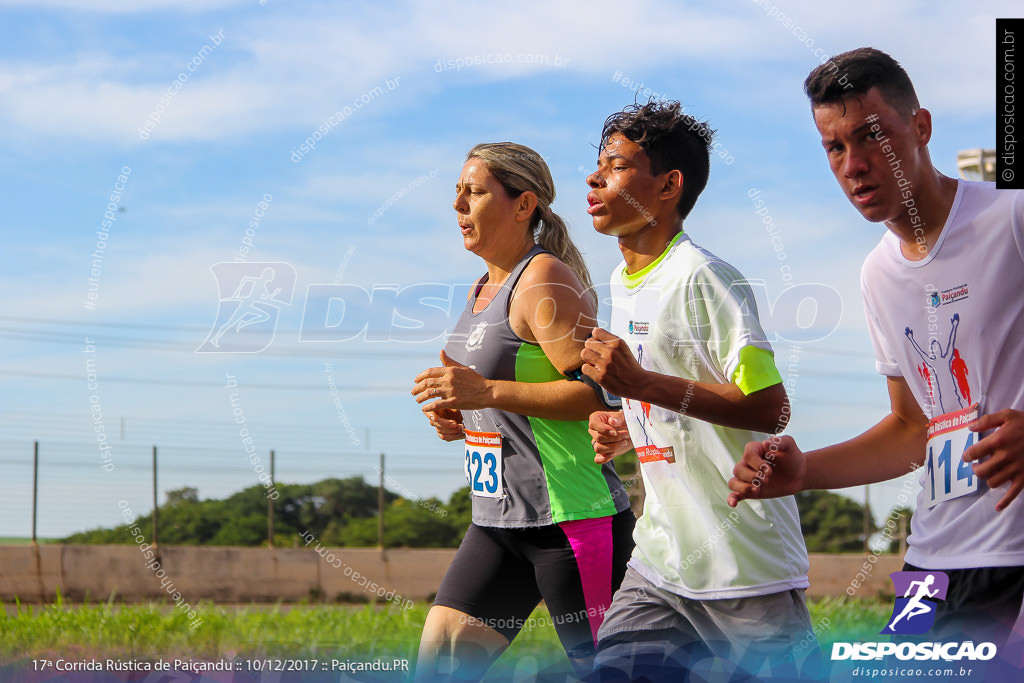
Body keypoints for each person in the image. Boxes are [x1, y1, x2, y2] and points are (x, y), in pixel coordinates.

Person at [727, 47, 1024, 651]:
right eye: (835, 148)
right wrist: (806, 470)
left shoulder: (1011, 218)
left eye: (873, 137)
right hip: (935, 556)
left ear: (921, 128)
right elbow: (914, 428)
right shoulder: (877, 274)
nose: (855, 164)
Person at [580, 100, 815, 681]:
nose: (593, 177)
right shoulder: (622, 278)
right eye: (598, 164)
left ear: (669, 186)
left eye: (615, 165)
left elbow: (770, 407)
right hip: (660, 564)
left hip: (744, 570)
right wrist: (629, 424)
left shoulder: (704, 276)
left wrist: (640, 384)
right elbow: (680, 399)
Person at [411, 142, 635, 680]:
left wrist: (484, 393)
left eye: (476, 192)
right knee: (439, 661)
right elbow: (493, 395)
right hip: (496, 521)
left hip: (571, 521)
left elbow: (599, 393)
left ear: (522, 203)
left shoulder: (544, 279)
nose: (460, 206)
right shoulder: (483, 286)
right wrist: (457, 415)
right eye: (458, 195)